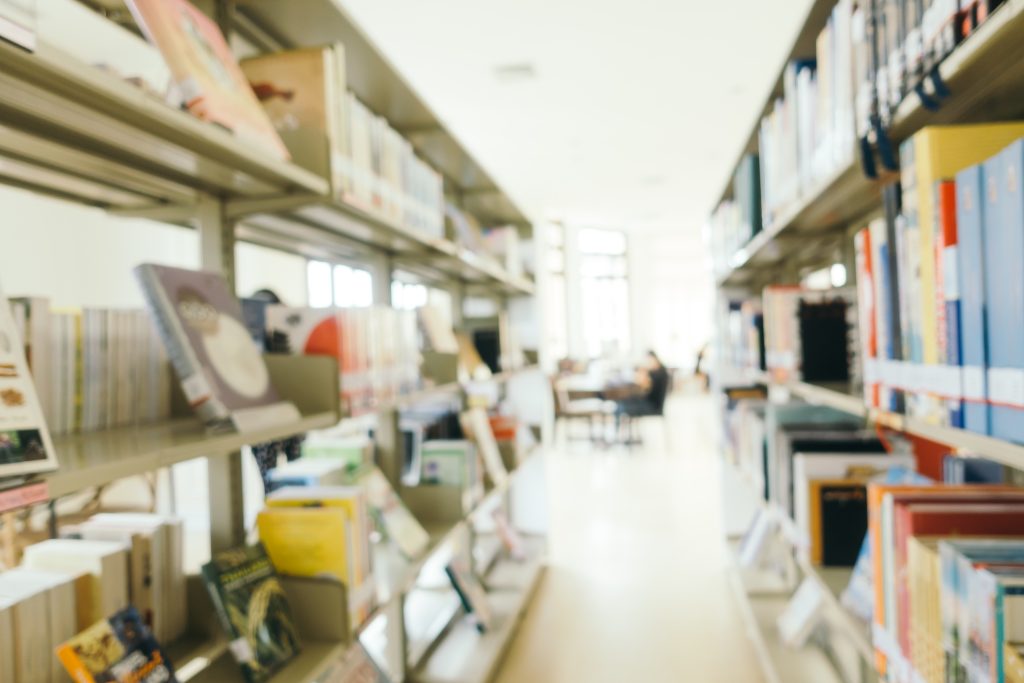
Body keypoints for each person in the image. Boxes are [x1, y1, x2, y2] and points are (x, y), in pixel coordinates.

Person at [613, 350, 670, 440]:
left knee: (622, 405)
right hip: (650, 402)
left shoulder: (658, 373)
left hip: (652, 406)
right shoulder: (660, 371)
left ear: (654, 359)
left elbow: (645, 387)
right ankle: (621, 436)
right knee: (624, 401)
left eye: (648, 360)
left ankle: (616, 437)